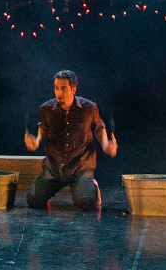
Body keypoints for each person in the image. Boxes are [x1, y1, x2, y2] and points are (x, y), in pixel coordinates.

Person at [24, 70, 118, 211]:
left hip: (80, 165)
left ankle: (93, 186)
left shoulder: (89, 107)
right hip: (55, 166)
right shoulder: (46, 109)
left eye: (63, 88)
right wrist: (36, 142)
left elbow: (99, 128)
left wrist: (105, 145)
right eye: (56, 88)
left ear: (73, 89)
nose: (59, 93)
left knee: (85, 202)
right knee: (33, 201)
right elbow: (44, 129)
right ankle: (47, 191)